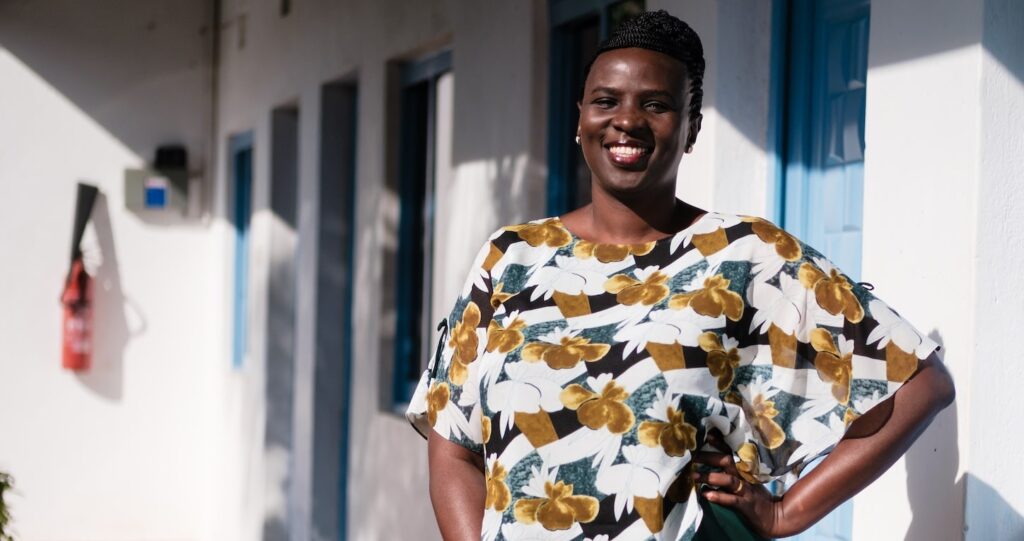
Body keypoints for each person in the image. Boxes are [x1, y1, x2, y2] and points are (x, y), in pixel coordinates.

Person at [425, 10, 955, 541]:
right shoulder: (511, 257)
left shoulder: (744, 255)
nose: (627, 120)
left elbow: (920, 384)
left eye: (655, 104)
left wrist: (786, 513)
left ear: (691, 128)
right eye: (606, 101)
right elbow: (452, 444)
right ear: (580, 118)